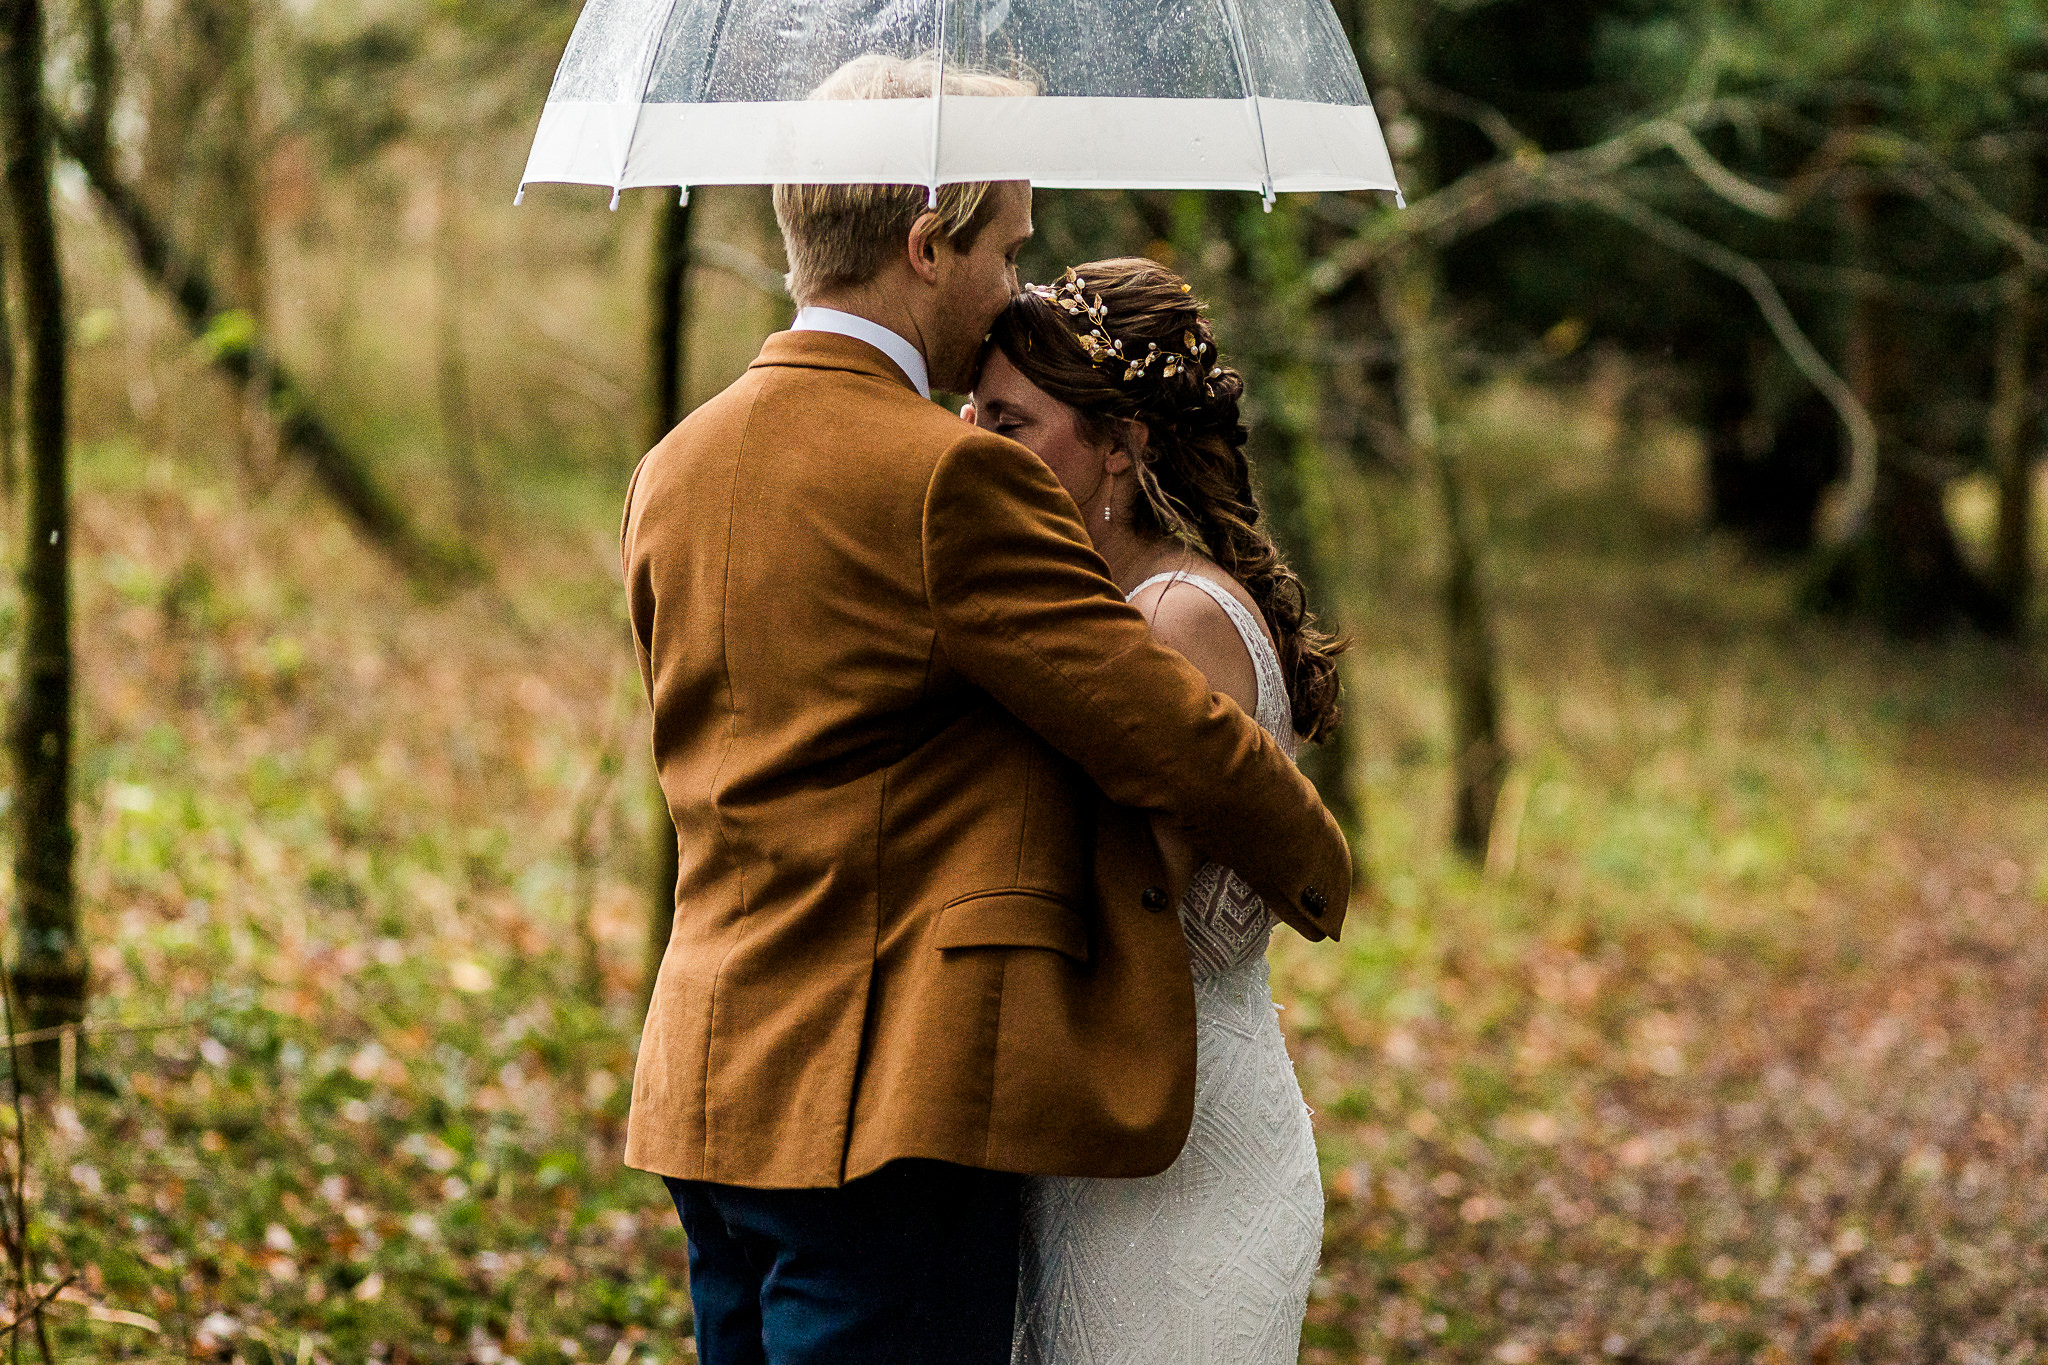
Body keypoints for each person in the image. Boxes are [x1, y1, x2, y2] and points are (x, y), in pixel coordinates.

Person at [618, 58, 1353, 1365]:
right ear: (925, 244)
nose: (1016, 283)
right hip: (877, 1100)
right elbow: (1158, 726)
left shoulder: (672, 468)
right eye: (1007, 246)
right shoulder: (945, 478)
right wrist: (1313, 861)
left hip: (706, 1080)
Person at [973, 258, 1345, 1365]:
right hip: (1121, 1132)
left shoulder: (1173, 622)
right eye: (969, 407)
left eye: (1009, 419)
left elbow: (1117, 894)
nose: (969, 440)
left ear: (1120, 448)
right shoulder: (1131, 605)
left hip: (1173, 1161)